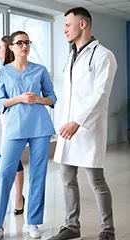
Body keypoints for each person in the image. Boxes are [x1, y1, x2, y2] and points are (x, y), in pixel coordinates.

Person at [49, 7, 117, 240]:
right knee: (67, 178)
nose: (65, 29)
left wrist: (78, 121)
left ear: (83, 24)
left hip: (87, 128)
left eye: (68, 24)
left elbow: (100, 95)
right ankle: (71, 226)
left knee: (96, 181)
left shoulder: (103, 55)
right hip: (68, 128)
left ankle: (107, 231)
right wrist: (67, 121)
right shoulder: (71, 56)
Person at [0, 31, 57, 240]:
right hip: (15, 127)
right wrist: (19, 98)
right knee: (4, 174)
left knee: (38, 175)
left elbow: (52, 98)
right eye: (20, 43)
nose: (24, 46)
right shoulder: (3, 73)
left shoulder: (40, 70)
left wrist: (37, 99)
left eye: (27, 42)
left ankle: (33, 222)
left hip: (40, 127)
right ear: (11, 47)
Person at [0, 36, 25, 216]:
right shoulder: (0, 72)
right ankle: (1, 200)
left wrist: (2, 104)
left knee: (13, 161)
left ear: (8, 48)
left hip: (10, 121)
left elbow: (19, 97)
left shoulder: (16, 72)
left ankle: (18, 198)